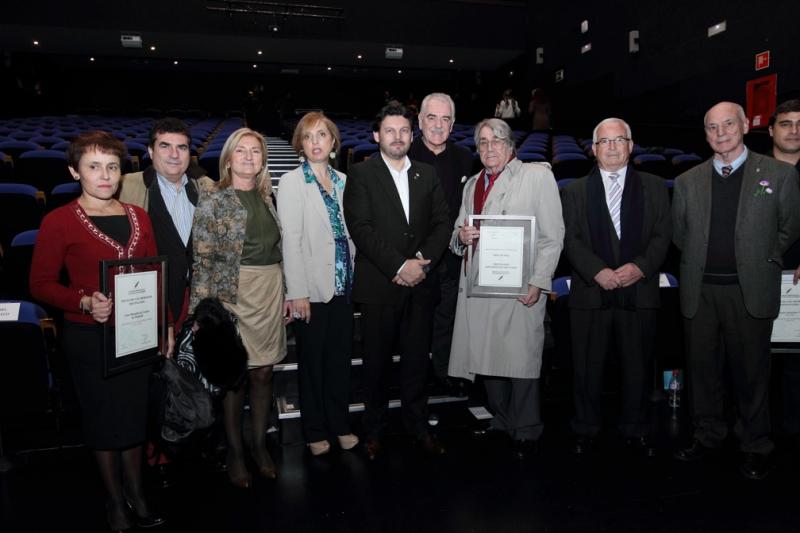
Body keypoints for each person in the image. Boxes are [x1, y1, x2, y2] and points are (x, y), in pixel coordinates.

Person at [30, 131, 167, 531]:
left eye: (112, 166)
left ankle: (138, 494)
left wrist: (163, 326)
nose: (104, 175)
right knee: (104, 422)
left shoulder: (138, 217)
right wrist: (85, 301)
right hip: (89, 338)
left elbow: (153, 275)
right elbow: (40, 284)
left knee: (132, 418)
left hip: (137, 335)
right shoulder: (58, 221)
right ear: (75, 171)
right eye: (93, 166)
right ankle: (115, 502)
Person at [672, 101, 800, 480]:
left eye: (729, 123)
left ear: (745, 125)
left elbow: (790, 227)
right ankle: (708, 434)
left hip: (751, 290)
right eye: (712, 127)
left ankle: (755, 443)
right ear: (706, 133)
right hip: (702, 291)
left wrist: (763, 257)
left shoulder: (777, 175)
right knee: (703, 370)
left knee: (752, 373)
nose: (721, 132)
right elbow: (680, 236)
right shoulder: (686, 181)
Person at [448, 118, 564, 460]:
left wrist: (539, 282)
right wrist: (461, 236)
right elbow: (458, 229)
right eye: (482, 142)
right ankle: (502, 419)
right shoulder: (472, 185)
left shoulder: (536, 176)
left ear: (511, 145)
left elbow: (552, 236)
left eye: (496, 140)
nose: (489, 148)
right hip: (479, 285)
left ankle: (527, 429)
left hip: (519, 288)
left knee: (521, 360)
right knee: (487, 357)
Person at [343, 103, 451, 460]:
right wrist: (398, 266)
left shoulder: (427, 173)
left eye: (404, 130)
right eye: (390, 130)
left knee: (417, 363)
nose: (397, 137)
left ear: (412, 134)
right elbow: (361, 228)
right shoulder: (361, 174)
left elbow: (441, 223)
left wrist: (421, 265)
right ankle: (373, 431)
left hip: (421, 283)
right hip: (380, 287)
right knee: (376, 365)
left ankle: (418, 426)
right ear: (377, 136)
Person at [561, 118, 671, 457]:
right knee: (586, 367)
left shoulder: (655, 187)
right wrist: (598, 271)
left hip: (639, 291)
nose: (611, 147)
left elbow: (662, 235)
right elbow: (571, 238)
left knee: (638, 366)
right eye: (604, 142)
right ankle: (586, 426)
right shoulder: (574, 190)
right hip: (590, 292)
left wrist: (639, 268)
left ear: (631, 145)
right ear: (593, 150)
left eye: (618, 140)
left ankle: (636, 426)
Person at [190, 127, 288, 487]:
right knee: (235, 378)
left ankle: (259, 445)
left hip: (269, 289)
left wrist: (288, 291)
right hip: (233, 294)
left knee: (264, 373)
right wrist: (203, 313)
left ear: (263, 160)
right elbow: (201, 259)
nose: (249, 157)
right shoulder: (214, 199)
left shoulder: (267, 196)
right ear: (229, 159)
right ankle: (234, 451)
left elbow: (281, 251)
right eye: (242, 151)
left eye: (256, 152)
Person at [278, 112, 359, 456]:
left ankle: (340, 424)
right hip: (311, 288)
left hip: (344, 285)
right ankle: (314, 431)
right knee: (312, 364)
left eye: (322, 135)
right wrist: (297, 293)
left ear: (333, 142)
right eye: (309, 136)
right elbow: (290, 240)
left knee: (339, 362)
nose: (315, 142)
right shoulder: (293, 182)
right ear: (301, 143)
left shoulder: (344, 179)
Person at [408, 93, 474, 394]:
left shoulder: (465, 158)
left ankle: (444, 372)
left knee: (448, 319)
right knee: (415, 328)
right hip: (414, 260)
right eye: (431, 118)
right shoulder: (404, 155)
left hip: (452, 258)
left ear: (453, 124)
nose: (438, 125)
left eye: (445, 119)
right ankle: (415, 380)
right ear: (419, 121)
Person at [119, 118, 211, 330]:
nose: (174, 154)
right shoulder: (125, 188)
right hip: (151, 303)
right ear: (151, 152)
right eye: (165, 146)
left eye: (182, 147)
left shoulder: (208, 188)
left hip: (200, 302)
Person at [768, 99, 800, 444]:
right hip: (760, 277)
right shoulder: (753, 171)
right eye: (786, 123)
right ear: (771, 130)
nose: (794, 130)